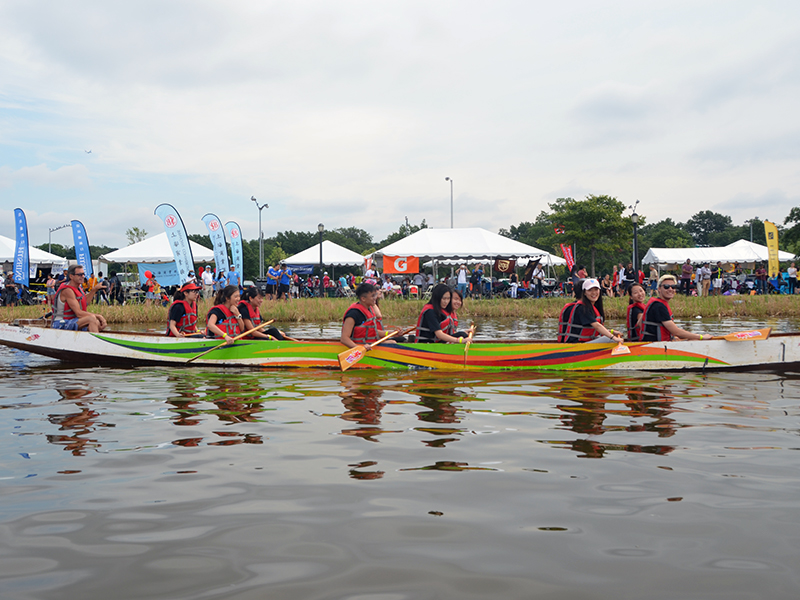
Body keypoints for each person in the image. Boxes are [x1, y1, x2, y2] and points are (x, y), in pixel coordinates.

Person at [642, 275, 706, 342]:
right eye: (666, 287)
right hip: (653, 347)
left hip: (658, 345)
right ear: (659, 289)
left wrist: (673, 337)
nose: (670, 289)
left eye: (673, 287)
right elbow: (677, 332)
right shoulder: (658, 306)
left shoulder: (659, 304)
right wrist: (701, 337)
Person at [562, 279, 622, 343]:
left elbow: (594, 330)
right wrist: (613, 338)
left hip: (585, 343)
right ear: (584, 292)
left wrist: (611, 332)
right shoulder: (582, 308)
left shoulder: (592, 307)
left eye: (596, 289)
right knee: (611, 340)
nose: (594, 293)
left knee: (613, 337)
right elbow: (597, 326)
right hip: (576, 344)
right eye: (590, 290)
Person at [51, 264, 108, 332]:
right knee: (92, 319)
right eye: (80, 274)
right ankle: (95, 342)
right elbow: (79, 313)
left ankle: (92, 339)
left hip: (72, 321)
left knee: (97, 322)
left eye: (83, 274)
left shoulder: (78, 288)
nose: (83, 276)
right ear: (71, 276)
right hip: (61, 323)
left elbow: (85, 302)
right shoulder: (67, 290)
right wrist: (99, 316)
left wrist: (94, 290)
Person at [340, 283, 396, 349]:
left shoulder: (370, 309)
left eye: (375, 295)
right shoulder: (353, 314)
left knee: (396, 340)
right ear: (363, 299)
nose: (375, 298)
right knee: (393, 343)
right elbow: (344, 339)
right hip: (360, 345)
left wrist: (391, 333)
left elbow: (373, 331)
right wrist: (359, 348)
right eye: (372, 296)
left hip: (370, 343)